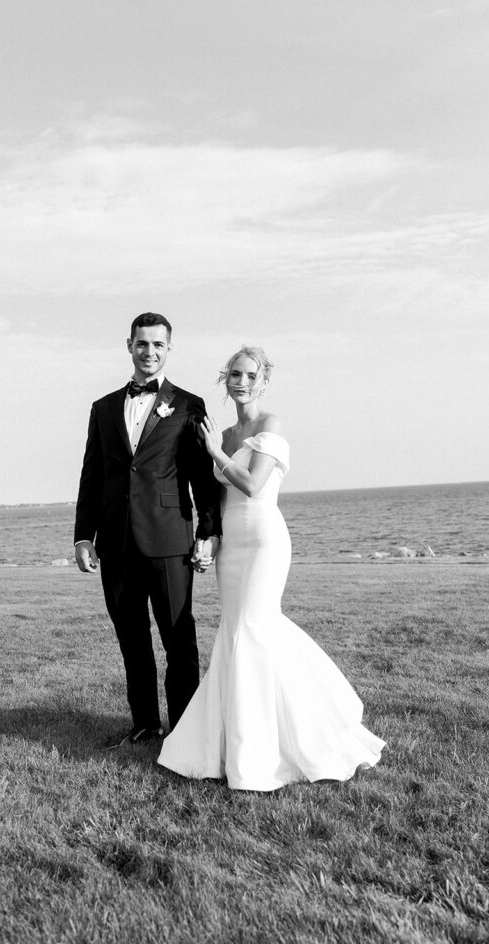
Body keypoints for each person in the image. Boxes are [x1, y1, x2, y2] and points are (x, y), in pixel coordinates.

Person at [158, 346, 385, 790]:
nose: (241, 382)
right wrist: (210, 539)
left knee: (254, 630)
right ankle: (230, 747)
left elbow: (253, 482)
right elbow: (219, 497)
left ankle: (286, 741)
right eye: (234, 375)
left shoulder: (269, 425)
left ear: (262, 382)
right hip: (233, 545)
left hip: (265, 539)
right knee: (236, 634)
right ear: (226, 380)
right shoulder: (221, 433)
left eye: (250, 375)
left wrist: (213, 453)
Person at [73, 312, 222, 744]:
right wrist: (84, 535)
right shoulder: (102, 409)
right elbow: (92, 475)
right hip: (116, 542)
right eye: (142, 344)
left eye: (158, 345)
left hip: (169, 539)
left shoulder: (189, 404)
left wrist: (207, 532)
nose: (150, 352)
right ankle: (144, 725)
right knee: (132, 640)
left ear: (169, 349)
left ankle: (188, 729)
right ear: (129, 346)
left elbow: (201, 476)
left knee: (179, 639)